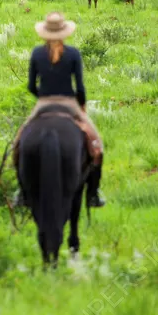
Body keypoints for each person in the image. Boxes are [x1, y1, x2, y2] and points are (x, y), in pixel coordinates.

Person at [13, 12, 106, 208]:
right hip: (69, 103)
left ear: (44, 33)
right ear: (64, 32)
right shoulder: (73, 54)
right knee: (96, 146)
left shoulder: (37, 53)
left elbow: (31, 86)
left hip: (44, 103)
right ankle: (93, 194)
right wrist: (81, 105)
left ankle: (22, 193)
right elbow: (80, 87)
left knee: (18, 144)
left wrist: (43, 97)